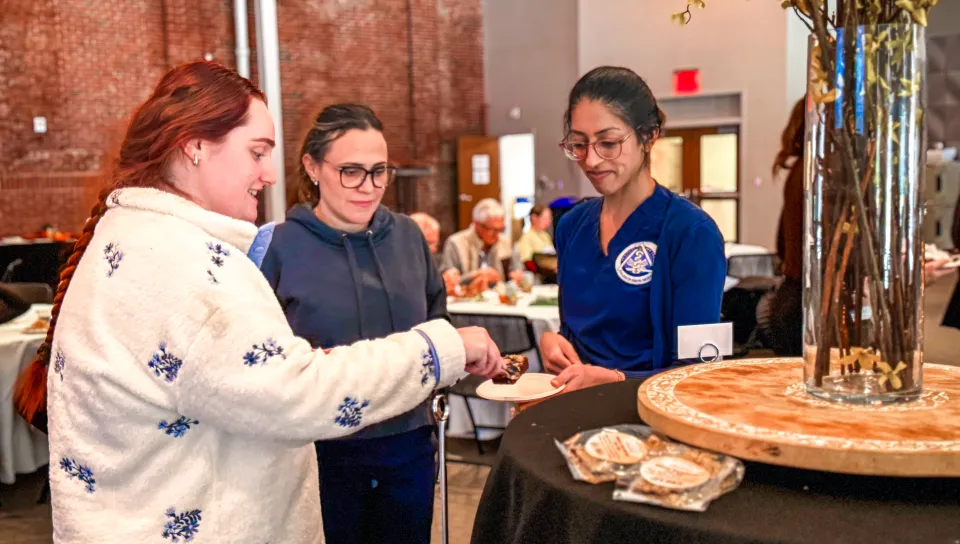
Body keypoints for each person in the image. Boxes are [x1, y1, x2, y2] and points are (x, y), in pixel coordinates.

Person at [12, 62, 503, 544]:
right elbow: (293, 390)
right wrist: (439, 350)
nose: (269, 173)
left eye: (378, 172)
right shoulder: (181, 264)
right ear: (196, 146)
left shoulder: (142, 237)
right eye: (257, 151)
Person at [260, 104, 448, 544]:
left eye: (379, 171)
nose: (369, 187)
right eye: (351, 171)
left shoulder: (407, 237)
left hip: (409, 447)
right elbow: (263, 358)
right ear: (312, 167)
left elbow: (438, 320)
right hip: (321, 454)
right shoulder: (280, 248)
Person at [541, 66, 726, 392]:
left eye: (608, 143)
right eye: (580, 145)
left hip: (650, 421)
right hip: (574, 412)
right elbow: (578, 332)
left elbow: (701, 374)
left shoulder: (692, 233)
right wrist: (554, 343)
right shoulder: (572, 226)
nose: (592, 161)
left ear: (649, 135)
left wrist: (613, 380)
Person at [756, 98, 806, 356]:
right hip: (803, 304)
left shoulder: (799, 170)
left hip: (792, 297)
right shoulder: (813, 172)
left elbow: (782, 244)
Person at [440, 198, 523, 289]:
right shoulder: (456, 243)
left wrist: (516, 275)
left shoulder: (507, 243)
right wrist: (475, 275)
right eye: (492, 230)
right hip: (466, 300)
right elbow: (446, 282)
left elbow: (517, 270)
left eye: (501, 229)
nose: (497, 235)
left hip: (500, 298)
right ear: (477, 224)